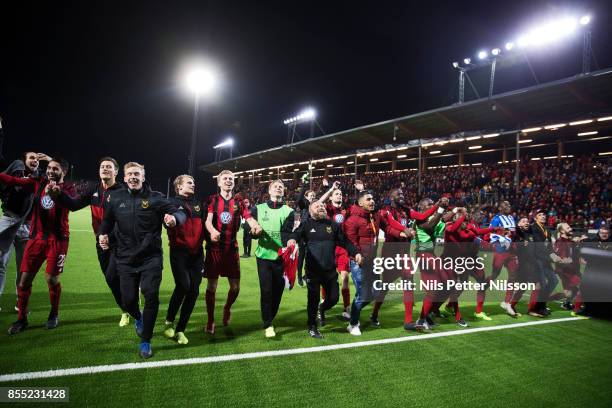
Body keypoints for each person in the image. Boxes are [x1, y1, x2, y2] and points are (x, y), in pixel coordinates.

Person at [98, 162, 185, 358]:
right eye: (130, 174)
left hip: (151, 258)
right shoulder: (116, 198)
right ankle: (138, 318)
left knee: (150, 294)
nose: (133, 177)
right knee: (128, 301)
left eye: (137, 174)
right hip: (125, 257)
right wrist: (102, 235)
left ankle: (146, 340)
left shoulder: (156, 198)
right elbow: (107, 222)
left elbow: (180, 210)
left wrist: (174, 219)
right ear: (125, 177)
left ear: (143, 177)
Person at [0, 158, 75, 334]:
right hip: (36, 239)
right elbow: (13, 180)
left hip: (57, 240)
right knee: (24, 280)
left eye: (54, 169)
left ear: (63, 172)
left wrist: (56, 194)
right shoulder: (37, 183)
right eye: (48, 168)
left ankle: (53, 314)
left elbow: (70, 202)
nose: (50, 171)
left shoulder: (70, 189)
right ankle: (22, 319)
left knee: (51, 279)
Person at [54, 157, 129, 326]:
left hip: (119, 241)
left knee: (112, 276)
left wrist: (110, 236)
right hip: (100, 241)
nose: (105, 169)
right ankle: (125, 307)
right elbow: (73, 205)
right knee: (110, 279)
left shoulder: (122, 192)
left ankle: (128, 307)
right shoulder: (94, 190)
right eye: (103, 166)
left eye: (109, 167)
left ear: (116, 172)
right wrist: (58, 194)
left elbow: (124, 219)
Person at [343, 190, 411, 335]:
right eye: (368, 199)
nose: (372, 201)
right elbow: (350, 241)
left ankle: (353, 313)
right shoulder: (352, 219)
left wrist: (401, 233)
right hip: (358, 262)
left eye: (373, 198)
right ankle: (353, 323)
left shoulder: (375, 216)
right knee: (363, 294)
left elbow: (387, 228)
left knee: (375, 292)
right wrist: (357, 254)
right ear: (360, 202)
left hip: (372, 262)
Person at [203, 170, 261, 334]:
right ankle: (210, 320)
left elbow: (249, 218)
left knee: (235, 288)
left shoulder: (239, 202)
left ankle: (227, 308)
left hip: (232, 249)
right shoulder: (212, 200)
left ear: (234, 183)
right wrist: (213, 230)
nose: (228, 181)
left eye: (231, 179)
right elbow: (207, 220)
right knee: (212, 287)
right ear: (219, 183)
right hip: (214, 249)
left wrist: (255, 226)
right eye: (225, 179)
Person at [370, 188, 437, 330]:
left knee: (408, 283)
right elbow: (390, 224)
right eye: (398, 194)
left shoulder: (406, 210)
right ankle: (374, 313)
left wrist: (437, 206)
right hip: (390, 254)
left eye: (402, 193)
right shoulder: (386, 210)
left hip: (405, 254)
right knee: (385, 286)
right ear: (391, 196)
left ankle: (408, 322)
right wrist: (404, 230)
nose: (402, 195)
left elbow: (421, 216)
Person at [296, 201, 361, 338]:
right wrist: (290, 240)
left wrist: (355, 253)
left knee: (333, 298)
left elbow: (345, 242)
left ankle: (322, 308)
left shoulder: (333, 225)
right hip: (313, 271)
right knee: (312, 300)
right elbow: (295, 236)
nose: (320, 207)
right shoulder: (306, 225)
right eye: (316, 206)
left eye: (322, 205)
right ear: (309, 210)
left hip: (329, 271)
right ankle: (312, 326)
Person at [0, 152, 50, 310]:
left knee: (23, 267)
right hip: (9, 220)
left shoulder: (39, 177)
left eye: (37, 159)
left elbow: (58, 173)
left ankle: (20, 301)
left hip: (27, 226)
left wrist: (49, 160)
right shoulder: (17, 167)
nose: (35, 161)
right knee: (0, 262)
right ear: (24, 161)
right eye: (32, 158)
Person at [249, 179, 297, 338]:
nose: (278, 188)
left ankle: (270, 316)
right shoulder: (258, 208)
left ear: (283, 192)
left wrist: (291, 240)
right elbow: (249, 228)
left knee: (277, 291)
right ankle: (268, 323)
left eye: (281, 187)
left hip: (280, 257)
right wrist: (253, 232)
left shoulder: (289, 211)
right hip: (263, 256)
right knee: (266, 290)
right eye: (275, 186)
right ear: (269, 191)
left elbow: (287, 232)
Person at [163, 175, 205, 345]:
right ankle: (169, 321)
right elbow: (170, 220)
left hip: (197, 254)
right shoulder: (171, 203)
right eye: (189, 182)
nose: (193, 184)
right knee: (183, 285)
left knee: (194, 291)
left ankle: (181, 329)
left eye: (194, 182)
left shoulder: (198, 204)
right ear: (179, 186)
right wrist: (170, 222)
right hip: (179, 252)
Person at [484, 201, 518, 320]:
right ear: (500, 208)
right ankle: (483, 286)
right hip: (500, 250)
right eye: (505, 205)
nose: (508, 206)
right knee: (495, 275)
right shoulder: (496, 219)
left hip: (512, 251)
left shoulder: (512, 218)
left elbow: (513, 234)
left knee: (514, 275)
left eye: (509, 205)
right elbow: (489, 234)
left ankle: (507, 303)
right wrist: (502, 238)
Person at [529, 209, 559, 317]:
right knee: (542, 283)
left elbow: (549, 246)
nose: (543, 216)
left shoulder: (547, 229)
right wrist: (551, 255)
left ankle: (541, 305)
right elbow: (538, 244)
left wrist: (553, 254)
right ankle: (538, 307)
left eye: (544, 215)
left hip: (545, 260)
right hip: (537, 260)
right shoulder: (533, 228)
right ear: (535, 217)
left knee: (554, 280)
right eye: (540, 215)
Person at [295, 173, 316, 286]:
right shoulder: (303, 204)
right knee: (302, 256)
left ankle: (306, 275)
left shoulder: (316, 205)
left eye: (314, 195)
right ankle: (299, 276)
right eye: (310, 195)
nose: (312, 197)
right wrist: (304, 186)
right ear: (307, 197)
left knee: (311, 257)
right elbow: (298, 199)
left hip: (313, 234)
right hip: (303, 234)